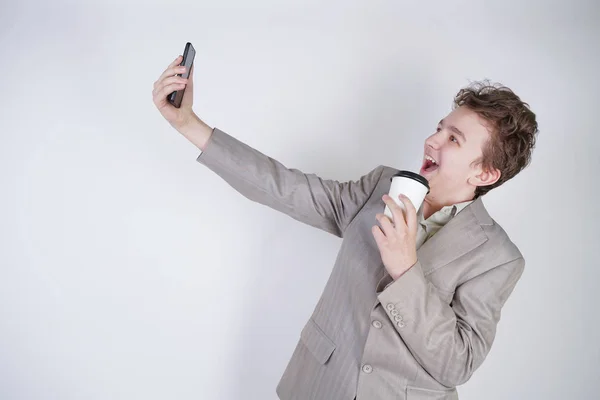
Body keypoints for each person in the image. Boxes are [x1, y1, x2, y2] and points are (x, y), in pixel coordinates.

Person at [152, 55, 538, 400]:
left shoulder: (498, 259)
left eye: (453, 139)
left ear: (485, 172)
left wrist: (405, 270)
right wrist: (188, 124)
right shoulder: (380, 187)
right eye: (440, 128)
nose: (431, 140)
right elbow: (285, 187)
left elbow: (458, 362)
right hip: (318, 386)